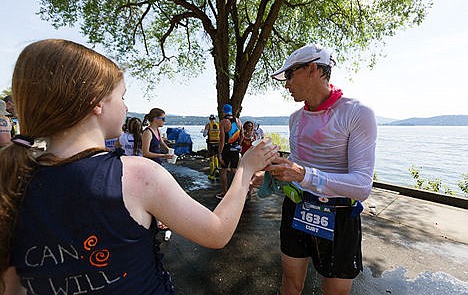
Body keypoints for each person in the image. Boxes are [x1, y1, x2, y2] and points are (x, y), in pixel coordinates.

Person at [0, 39, 278, 294]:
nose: (126, 105)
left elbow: (13, 285)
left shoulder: (12, 175)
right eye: (121, 97)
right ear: (96, 103)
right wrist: (245, 169)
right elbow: (216, 232)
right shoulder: (138, 175)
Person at [267, 43, 377, 295]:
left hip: (339, 214)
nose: (286, 84)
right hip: (297, 207)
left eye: (289, 74)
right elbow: (296, 169)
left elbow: (362, 185)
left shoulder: (357, 113)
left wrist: (304, 175)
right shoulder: (295, 118)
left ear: (313, 70)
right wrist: (272, 173)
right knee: (290, 284)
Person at [217, 104, 244, 200]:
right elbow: (242, 136)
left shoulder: (223, 122)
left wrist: (219, 153)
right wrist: (239, 145)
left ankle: (225, 193)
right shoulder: (238, 121)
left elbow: (222, 140)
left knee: (223, 171)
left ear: (224, 111)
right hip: (235, 149)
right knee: (234, 170)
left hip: (226, 149)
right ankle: (240, 190)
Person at [203, 114, 220, 181]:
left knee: (211, 158)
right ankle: (217, 170)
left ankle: (212, 174)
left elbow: (204, 134)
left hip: (211, 143)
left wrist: (205, 131)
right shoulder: (218, 124)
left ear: (210, 119)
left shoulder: (208, 125)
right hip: (217, 143)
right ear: (215, 119)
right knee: (216, 156)